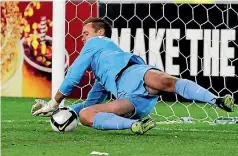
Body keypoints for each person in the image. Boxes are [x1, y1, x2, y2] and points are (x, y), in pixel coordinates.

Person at [31, 17, 235, 134]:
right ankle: (137, 125)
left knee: (165, 81)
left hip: (133, 74)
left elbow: (73, 75)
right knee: (86, 115)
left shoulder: (97, 45)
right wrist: (68, 110)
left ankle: (215, 100)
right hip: (130, 101)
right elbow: (90, 103)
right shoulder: (102, 75)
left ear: (100, 33)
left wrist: (55, 102)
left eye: (85, 33)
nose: (82, 38)